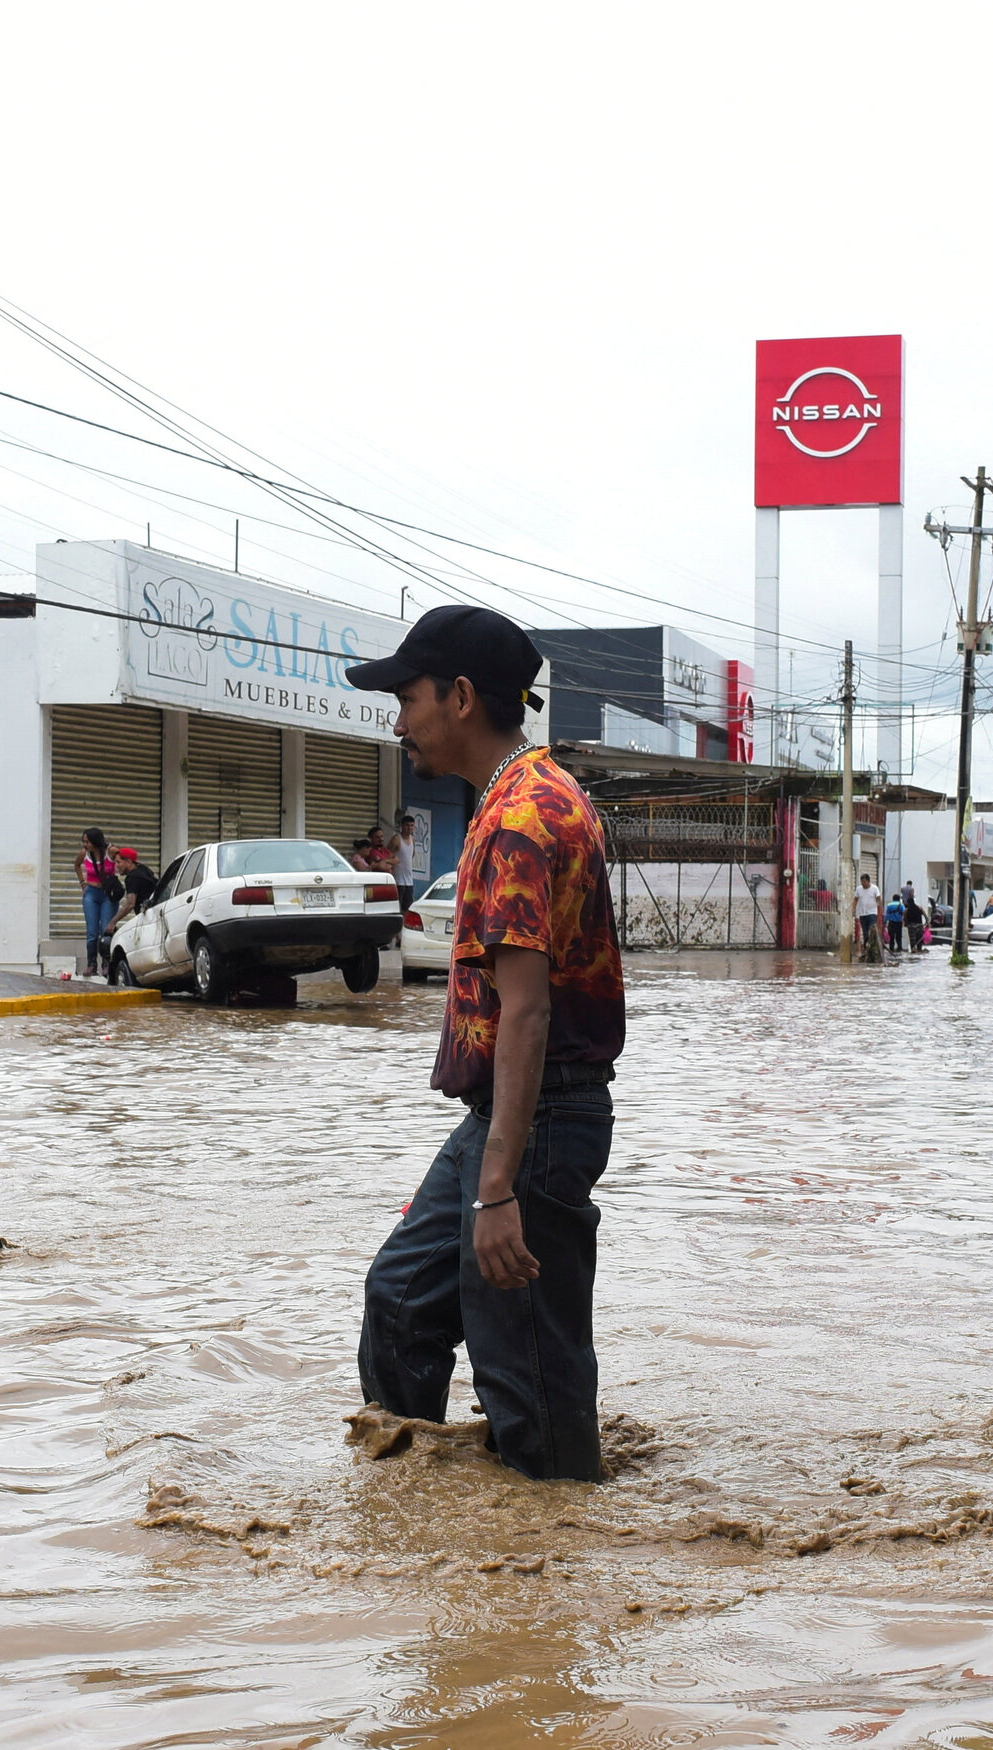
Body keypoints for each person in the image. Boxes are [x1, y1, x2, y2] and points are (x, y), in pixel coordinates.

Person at [346, 604, 624, 1483]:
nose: (398, 719)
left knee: (527, 1373)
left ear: (460, 697)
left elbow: (528, 1013)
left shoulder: (520, 819)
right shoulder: (524, 795)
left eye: (407, 696)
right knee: (401, 1297)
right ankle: (420, 1513)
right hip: (508, 1118)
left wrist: (498, 1186)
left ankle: (551, 1560)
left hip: (535, 1123)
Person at [76, 828, 120, 978]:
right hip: (92, 894)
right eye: (84, 841)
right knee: (92, 932)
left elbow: (124, 860)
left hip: (108, 894)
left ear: (95, 841)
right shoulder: (85, 854)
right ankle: (91, 964)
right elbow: (77, 865)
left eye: (87, 841)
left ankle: (107, 964)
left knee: (106, 929)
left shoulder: (111, 851)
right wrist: (83, 884)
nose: (85, 844)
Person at [109, 846, 158, 929]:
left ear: (128, 861)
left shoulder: (132, 878)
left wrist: (113, 922)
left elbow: (130, 904)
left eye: (118, 862)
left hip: (150, 920)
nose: (116, 865)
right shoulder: (143, 868)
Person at [390, 812, 419, 914]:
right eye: (407, 825)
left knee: (408, 908)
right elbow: (388, 855)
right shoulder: (396, 839)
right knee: (397, 908)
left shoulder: (413, 840)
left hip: (409, 881)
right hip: (398, 880)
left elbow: (411, 855)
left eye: (411, 825)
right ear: (402, 826)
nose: (409, 828)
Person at [856, 872, 882, 962]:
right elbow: (855, 899)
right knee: (865, 934)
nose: (863, 883)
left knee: (872, 932)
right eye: (862, 882)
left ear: (868, 881)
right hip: (863, 914)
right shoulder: (859, 889)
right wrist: (853, 910)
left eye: (864, 881)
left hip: (872, 914)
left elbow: (879, 900)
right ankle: (867, 951)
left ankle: (873, 952)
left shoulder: (874, 889)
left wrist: (880, 912)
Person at [884, 888, 904, 953]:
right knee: (899, 936)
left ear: (893, 899)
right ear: (899, 899)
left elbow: (887, 915)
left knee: (891, 936)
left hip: (891, 922)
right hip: (899, 922)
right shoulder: (901, 905)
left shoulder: (889, 905)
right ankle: (899, 948)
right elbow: (904, 912)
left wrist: (885, 921)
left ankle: (891, 948)